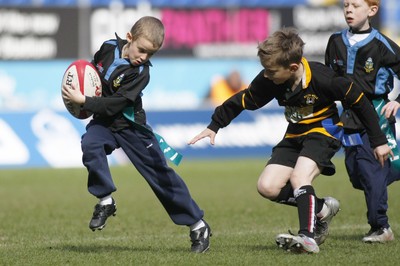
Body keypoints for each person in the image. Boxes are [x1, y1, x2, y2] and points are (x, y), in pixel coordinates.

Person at [188, 27, 392, 253]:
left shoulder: (325, 79)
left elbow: (360, 102)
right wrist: (215, 124)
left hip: (324, 131)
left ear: (293, 67)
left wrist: (378, 140)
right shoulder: (270, 78)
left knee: (299, 177)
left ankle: (308, 237)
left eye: (271, 71)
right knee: (267, 187)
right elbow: (245, 99)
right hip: (295, 133)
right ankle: (323, 209)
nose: (266, 75)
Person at [61, 16, 211, 253]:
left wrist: (85, 101)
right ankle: (105, 200)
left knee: (161, 177)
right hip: (105, 124)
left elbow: (115, 104)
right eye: (142, 50)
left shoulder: (141, 72)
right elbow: (91, 73)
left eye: (151, 54)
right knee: (90, 143)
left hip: (132, 128)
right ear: (129, 38)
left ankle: (198, 225)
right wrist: (80, 88)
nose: (144, 57)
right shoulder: (109, 47)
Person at [325, 0, 400, 243]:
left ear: (372, 10)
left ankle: (381, 227)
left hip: (375, 112)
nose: (348, 10)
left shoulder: (382, 44)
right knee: (357, 174)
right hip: (348, 116)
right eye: (346, 5)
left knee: (371, 170)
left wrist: (398, 100)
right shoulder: (335, 41)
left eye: (355, 5)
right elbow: (328, 80)